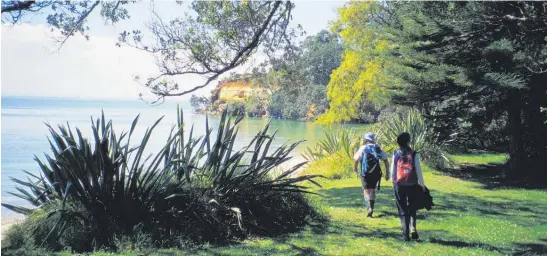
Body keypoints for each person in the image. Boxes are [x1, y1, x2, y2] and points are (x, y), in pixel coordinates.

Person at [389, 132, 426, 241]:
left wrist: (393, 183)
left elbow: (393, 171)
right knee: (412, 207)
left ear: (398, 142)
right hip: (413, 184)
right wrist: (422, 185)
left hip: (399, 184)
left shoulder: (395, 154)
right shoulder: (414, 154)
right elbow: (418, 171)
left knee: (403, 209)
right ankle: (413, 228)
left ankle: (405, 234)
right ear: (408, 141)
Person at [353, 132, 389, 218]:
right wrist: (387, 173)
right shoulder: (377, 147)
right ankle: (372, 207)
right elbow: (386, 160)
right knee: (372, 189)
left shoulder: (362, 148)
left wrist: (355, 170)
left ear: (365, 139)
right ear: (373, 139)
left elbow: (356, 160)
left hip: (365, 173)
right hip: (376, 173)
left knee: (366, 190)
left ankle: (369, 207)